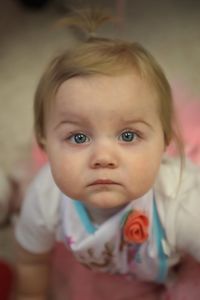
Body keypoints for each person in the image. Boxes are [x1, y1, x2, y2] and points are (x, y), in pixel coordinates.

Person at [15, 8, 200, 300]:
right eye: (78, 137)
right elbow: (30, 259)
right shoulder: (46, 197)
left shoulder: (183, 204)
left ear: (165, 141)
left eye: (128, 136)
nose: (103, 157)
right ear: (45, 145)